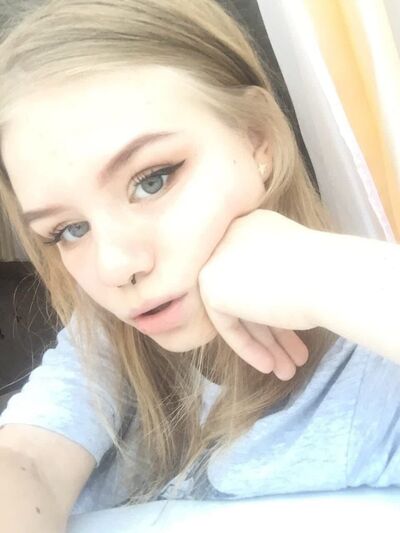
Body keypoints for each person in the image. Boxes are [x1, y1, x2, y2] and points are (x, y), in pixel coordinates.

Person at [0, 0, 399, 531]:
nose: (116, 267)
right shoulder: (106, 343)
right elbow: (26, 460)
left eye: (153, 180)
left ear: (257, 139)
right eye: (69, 230)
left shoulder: (372, 376)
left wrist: (323, 274)